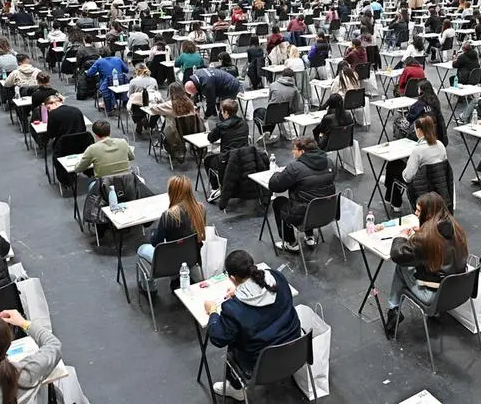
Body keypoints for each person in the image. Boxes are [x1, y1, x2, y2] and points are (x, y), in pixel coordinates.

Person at [205, 250, 300, 401]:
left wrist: (212, 312)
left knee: (234, 343)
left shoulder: (233, 309)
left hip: (259, 366)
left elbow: (218, 338)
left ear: (232, 278)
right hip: (296, 348)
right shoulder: (276, 277)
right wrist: (239, 291)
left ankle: (236, 388)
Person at [384, 192, 468, 336]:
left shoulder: (425, 239)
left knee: (401, 266)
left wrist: (401, 237)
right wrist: (423, 231)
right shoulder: (455, 227)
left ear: (428, 213)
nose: (415, 214)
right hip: (458, 290)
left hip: (433, 296)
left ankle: (393, 310)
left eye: (418, 211)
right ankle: (394, 310)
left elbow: (397, 255)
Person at [137, 175, 207, 292]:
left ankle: (150, 287)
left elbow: (156, 243)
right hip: (192, 258)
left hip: (170, 261)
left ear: (172, 193)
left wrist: (153, 230)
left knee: (142, 249)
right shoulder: (200, 209)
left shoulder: (168, 215)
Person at [268, 137, 336, 252]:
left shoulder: (295, 168)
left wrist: (276, 174)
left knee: (278, 202)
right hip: (328, 212)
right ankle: (309, 236)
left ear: (302, 152)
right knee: (312, 197)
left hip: (303, 216)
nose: (292, 152)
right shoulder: (329, 162)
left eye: (294, 149)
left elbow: (275, 186)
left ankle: (291, 242)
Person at [384, 115, 448, 213]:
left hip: (420, 184)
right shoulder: (440, 145)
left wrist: (407, 165)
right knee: (396, 165)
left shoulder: (418, 150)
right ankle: (390, 197)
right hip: (438, 182)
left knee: (393, 166)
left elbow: (407, 177)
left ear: (418, 130)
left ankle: (394, 201)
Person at [148, 82, 205, 164]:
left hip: (175, 136)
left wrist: (153, 103)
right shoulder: (190, 103)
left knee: (166, 122)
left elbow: (153, 109)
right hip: (191, 133)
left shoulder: (169, 104)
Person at [205, 99, 250, 202]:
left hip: (227, 161)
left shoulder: (221, 127)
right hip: (244, 158)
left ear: (226, 112)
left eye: (222, 111)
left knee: (207, 159)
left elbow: (210, 138)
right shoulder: (244, 124)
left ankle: (215, 187)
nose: (221, 113)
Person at [253, 68, 303, 143]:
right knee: (276, 113)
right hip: (285, 114)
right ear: (293, 77)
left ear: (282, 75)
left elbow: (270, 101)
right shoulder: (295, 89)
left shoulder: (273, 85)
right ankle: (267, 133)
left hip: (271, 114)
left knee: (258, 112)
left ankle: (265, 132)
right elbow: (296, 107)